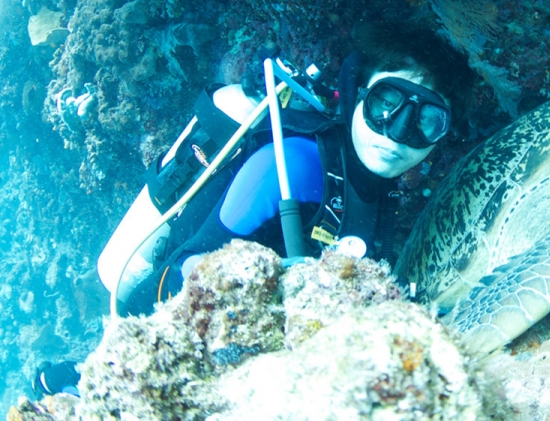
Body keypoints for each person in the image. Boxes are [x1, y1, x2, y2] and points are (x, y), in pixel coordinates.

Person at [32, 22, 474, 397]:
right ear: (358, 94)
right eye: (386, 104)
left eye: (427, 121)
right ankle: (79, 377)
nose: (398, 134)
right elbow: (177, 274)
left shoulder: (381, 191)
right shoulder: (292, 165)